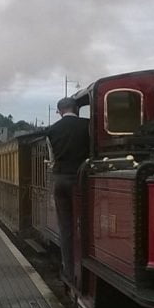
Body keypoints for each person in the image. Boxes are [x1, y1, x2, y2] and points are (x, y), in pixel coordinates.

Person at [40, 97, 91, 283]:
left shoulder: (52, 130)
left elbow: (52, 157)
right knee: (86, 222)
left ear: (60, 111)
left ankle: (69, 271)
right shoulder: (87, 125)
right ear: (76, 109)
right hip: (81, 179)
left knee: (66, 227)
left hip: (60, 179)